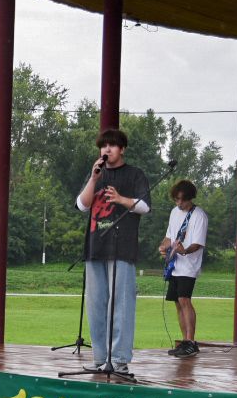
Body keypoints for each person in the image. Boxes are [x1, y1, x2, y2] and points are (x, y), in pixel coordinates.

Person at [76, 128, 150, 373]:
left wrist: (121, 199)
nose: (106, 149)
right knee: (96, 304)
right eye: (103, 145)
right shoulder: (96, 174)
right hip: (96, 246)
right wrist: (94, 178)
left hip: (122, 248)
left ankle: (118, 360)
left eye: (112, 145)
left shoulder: (134, 174)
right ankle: (100, 358)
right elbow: (82, 205)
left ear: (122, 149)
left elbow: (145, 206)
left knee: (121, 305)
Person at [157, 179, 207, 357]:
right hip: (174, 266)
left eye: (182, 200)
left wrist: (184, 251)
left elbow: (198, 243)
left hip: (189, 267)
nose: (179, 203)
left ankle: (191, 342)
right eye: (176, 200)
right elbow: (169, 237)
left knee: (185, 300)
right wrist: (163, 247)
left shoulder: (199, 215)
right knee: (178, 302)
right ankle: (184, 341)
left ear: (190, 198)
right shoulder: (174, 212)